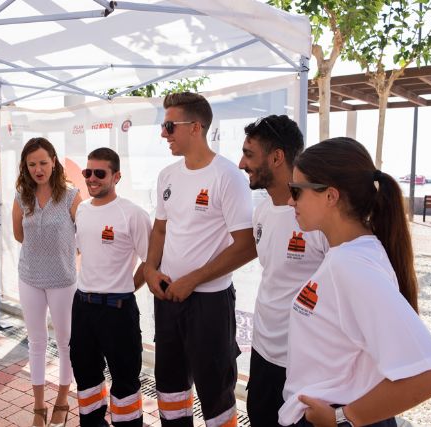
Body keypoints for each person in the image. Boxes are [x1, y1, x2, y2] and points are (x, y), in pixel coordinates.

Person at [279, 137, 431, 427]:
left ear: (330, 196)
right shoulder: (352, 254)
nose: (289, 201)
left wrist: (341, 418)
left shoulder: (351, 264)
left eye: (296, 191)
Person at [144, 92, 256, 426]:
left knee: (216, 395)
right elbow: (160, 230)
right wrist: (150, 269)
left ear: (195, 127)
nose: (163, 134)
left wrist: (193, 279)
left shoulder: (227, 176)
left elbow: (247, 245)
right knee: (170, 390)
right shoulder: (167, 175)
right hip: (167, 298)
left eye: (169, 126)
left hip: (209, 304)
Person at [238, 115, 329, 426]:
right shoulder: (262, 210)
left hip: (306, 365)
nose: (241, 164)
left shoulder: (318, 218)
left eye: (249, 154)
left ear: (276, 157)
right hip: (263, 356)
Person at [70, 147, 151, 427]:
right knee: (87, 379)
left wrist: (127, 286)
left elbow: (151, 261)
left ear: (116, 176)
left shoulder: (132, 214)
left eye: (100, 173)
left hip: (118, 310)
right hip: (82, 308)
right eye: (87, 172)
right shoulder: (81, 210)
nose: (92, 178)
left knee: (125, 383)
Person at [12, 137, 81, 427]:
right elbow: (18, 234)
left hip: (63, 279)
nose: (38, 169)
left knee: (66, 343)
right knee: (37, 341)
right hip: (30, 277)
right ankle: (39, 406)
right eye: (31, 164)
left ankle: (63, 398)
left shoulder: (71, 195)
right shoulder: (21, 196)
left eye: (42, 162)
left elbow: (86, 233)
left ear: (54, 161)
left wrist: (66, 251)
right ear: (25, 168)